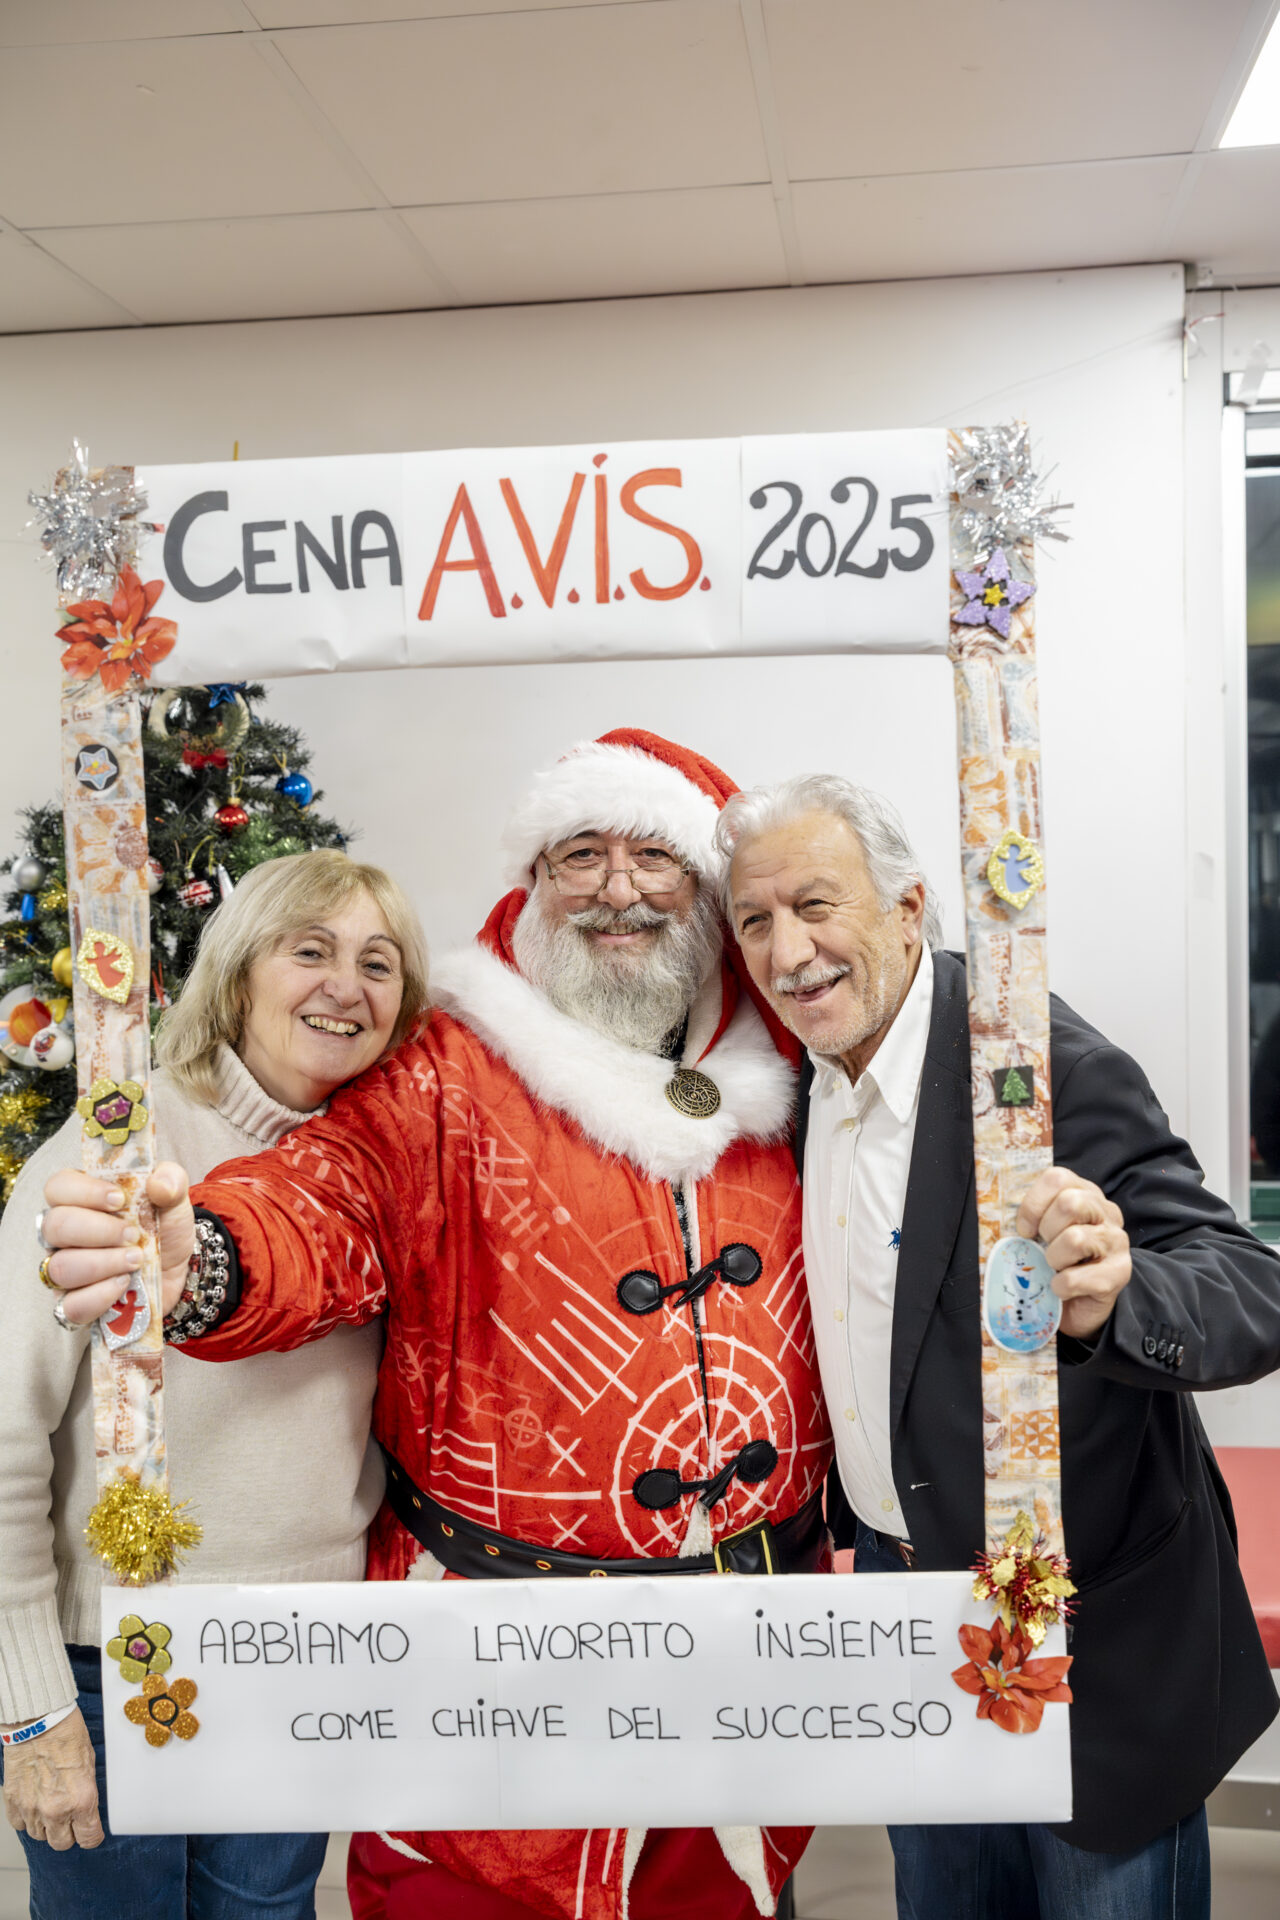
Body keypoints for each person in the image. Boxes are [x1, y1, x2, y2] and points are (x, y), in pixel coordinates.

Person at [40, 730, 832, 1920]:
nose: (616, 889)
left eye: (654, 856)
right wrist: (201, 1257)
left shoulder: (799, 1058)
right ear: (536, 876)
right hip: (487, 1666)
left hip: (741, 1658)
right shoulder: (443, 1069)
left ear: (705, 884)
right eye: (580, 854)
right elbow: (322, 1204)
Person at [715, 771, 1280, 1920]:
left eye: (815, 905)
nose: (786, 951)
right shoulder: (789, 1090)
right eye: (753, 920)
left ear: (906, 908)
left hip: (1083, 1614)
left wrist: (1111, 1298)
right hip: (901, 1601)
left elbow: (1246, 1287)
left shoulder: (1032, 1065)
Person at [1, 849, 428, 1920]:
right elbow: (6, 1436)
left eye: (379, 964)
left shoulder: (398, 1169)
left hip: (303, 1652)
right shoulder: (117, 1145)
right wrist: (33, 1709)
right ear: (238, 971)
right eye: (310, 951)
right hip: (116, 1656)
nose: (346, 986)